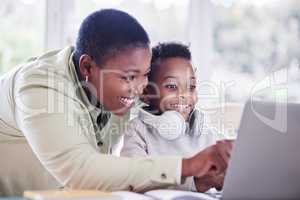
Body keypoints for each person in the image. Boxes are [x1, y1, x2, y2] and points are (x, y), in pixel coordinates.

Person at [0, 9, 232, 195]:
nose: (142, 87)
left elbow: (117, 171)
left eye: (145, 73)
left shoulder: (114, 95)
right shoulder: (38, 86)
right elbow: (82, 170)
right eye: (129, 77)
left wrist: (199, 179)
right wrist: (187, 165)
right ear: (87, 67)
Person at [121, 42, 229, 192]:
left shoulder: (206, 133)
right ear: (146, 93)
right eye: (172, 86)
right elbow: (132, 180)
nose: (185, 95)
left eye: (191, 87)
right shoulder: (137, 130)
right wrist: (195, 184)